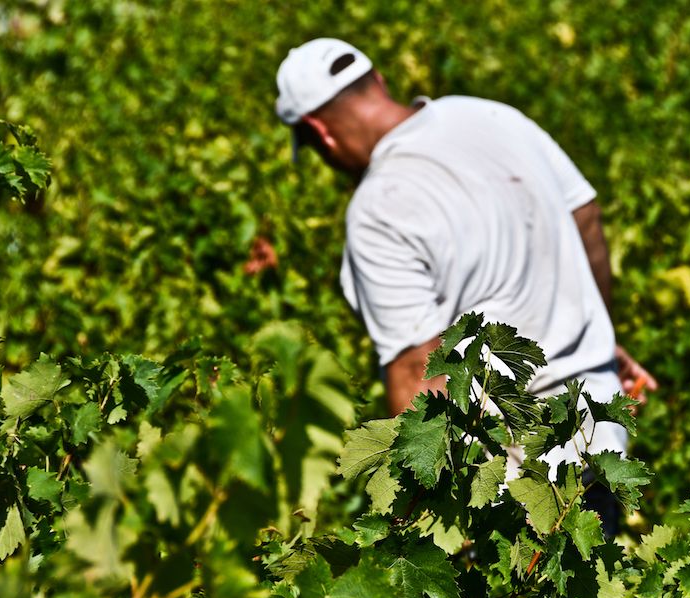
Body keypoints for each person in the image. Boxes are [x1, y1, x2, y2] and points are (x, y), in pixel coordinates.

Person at [275, 38, 656, 526]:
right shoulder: (489, 116)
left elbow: (417, 373)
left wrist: (412, 520)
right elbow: (584, 216)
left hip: (506, 482)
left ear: (319, 135)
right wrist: (598, 335)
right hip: (596, 436)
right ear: (380, 82)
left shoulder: (378, 210)